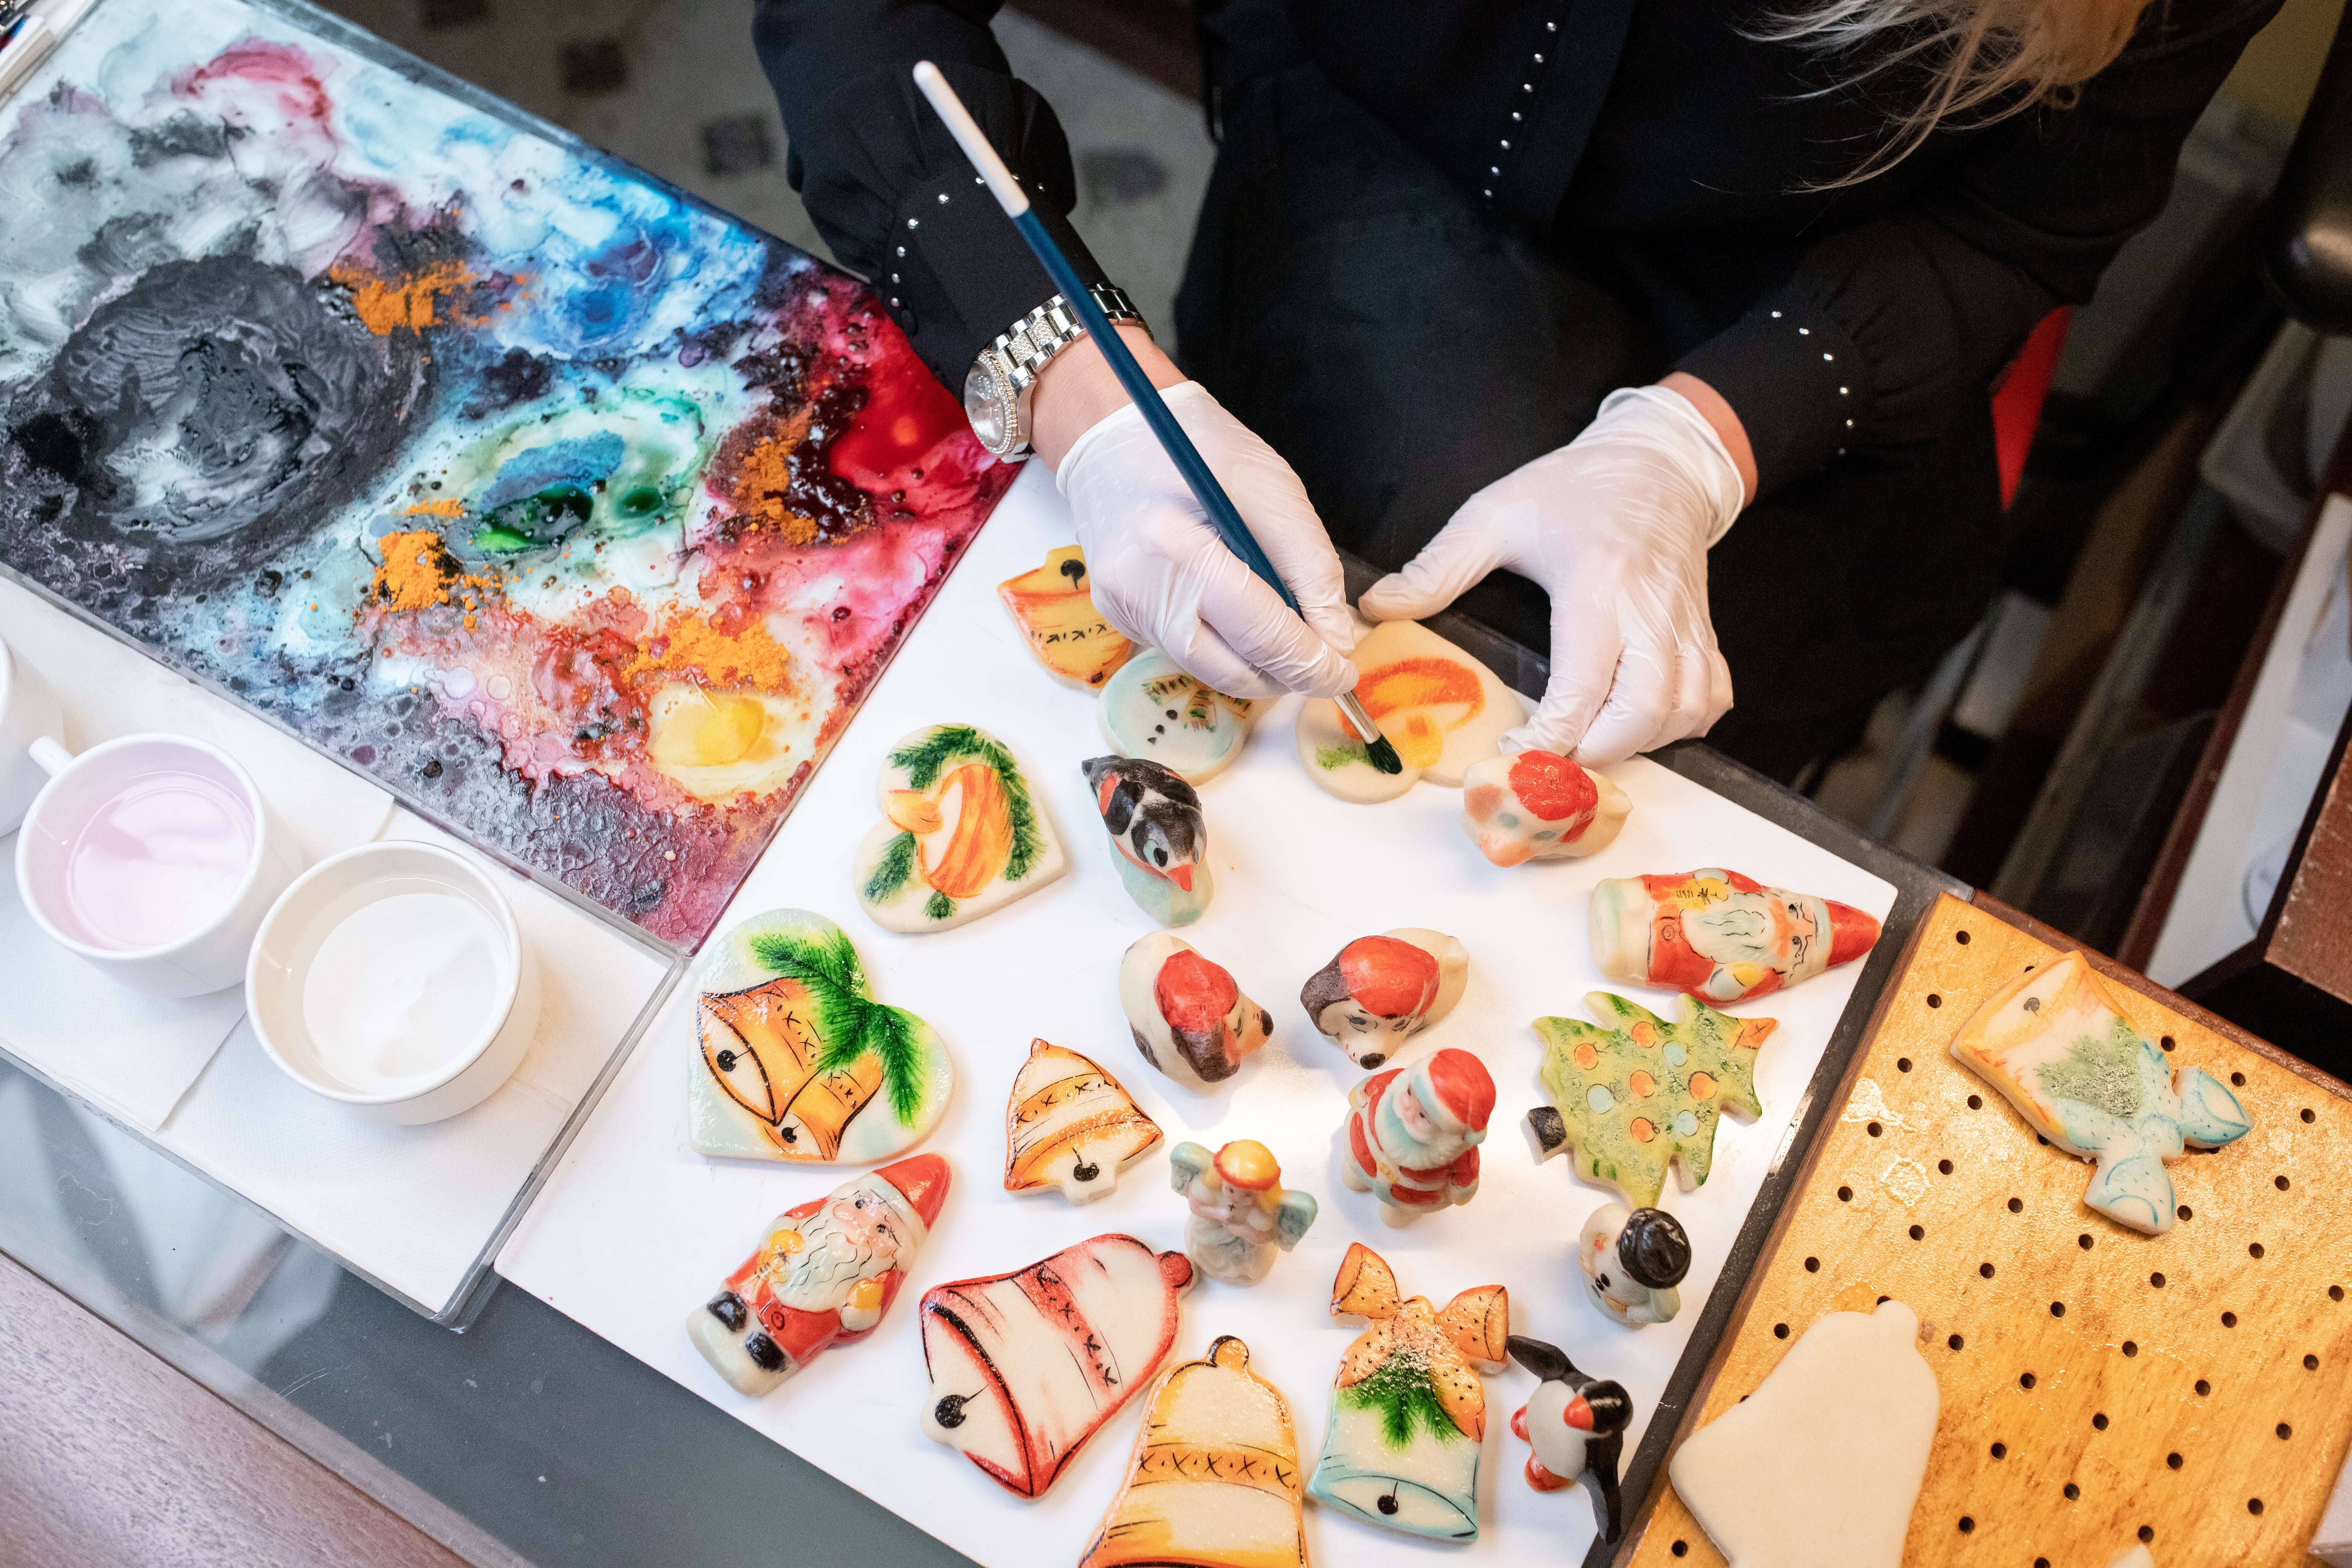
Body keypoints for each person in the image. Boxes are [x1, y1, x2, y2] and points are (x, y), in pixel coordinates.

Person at [753, 0, 2280, 780]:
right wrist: (1075, 377)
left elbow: (2024, 219)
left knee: (1634, 743)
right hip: (1383, 111)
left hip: (1829, 267)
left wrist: (1697, 445)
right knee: (1360, 655)